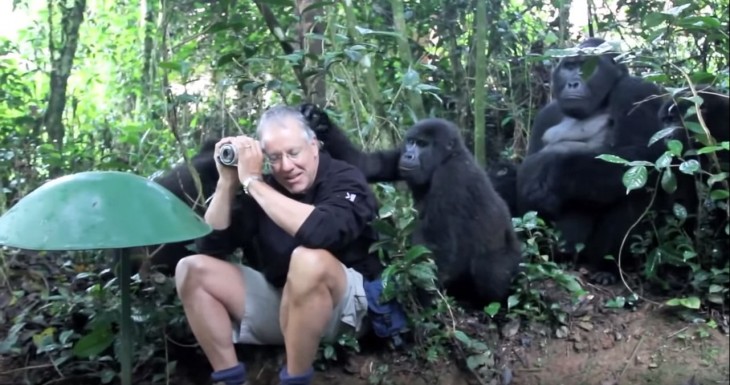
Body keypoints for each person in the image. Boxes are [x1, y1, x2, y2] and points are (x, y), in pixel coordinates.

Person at [174, 105, 384, 385]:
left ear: (313, 146)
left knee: (307, 260)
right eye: (275, 158)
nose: (286, 167)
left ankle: (295, 379)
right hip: (286, 305)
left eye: (293, 153)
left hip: (345, 312)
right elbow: (210, 246)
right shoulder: (265, 189)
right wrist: (227, 184)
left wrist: (253, 183)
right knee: (191, 269)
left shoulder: (345, 177)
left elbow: (322, 234)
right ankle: (230, 379)